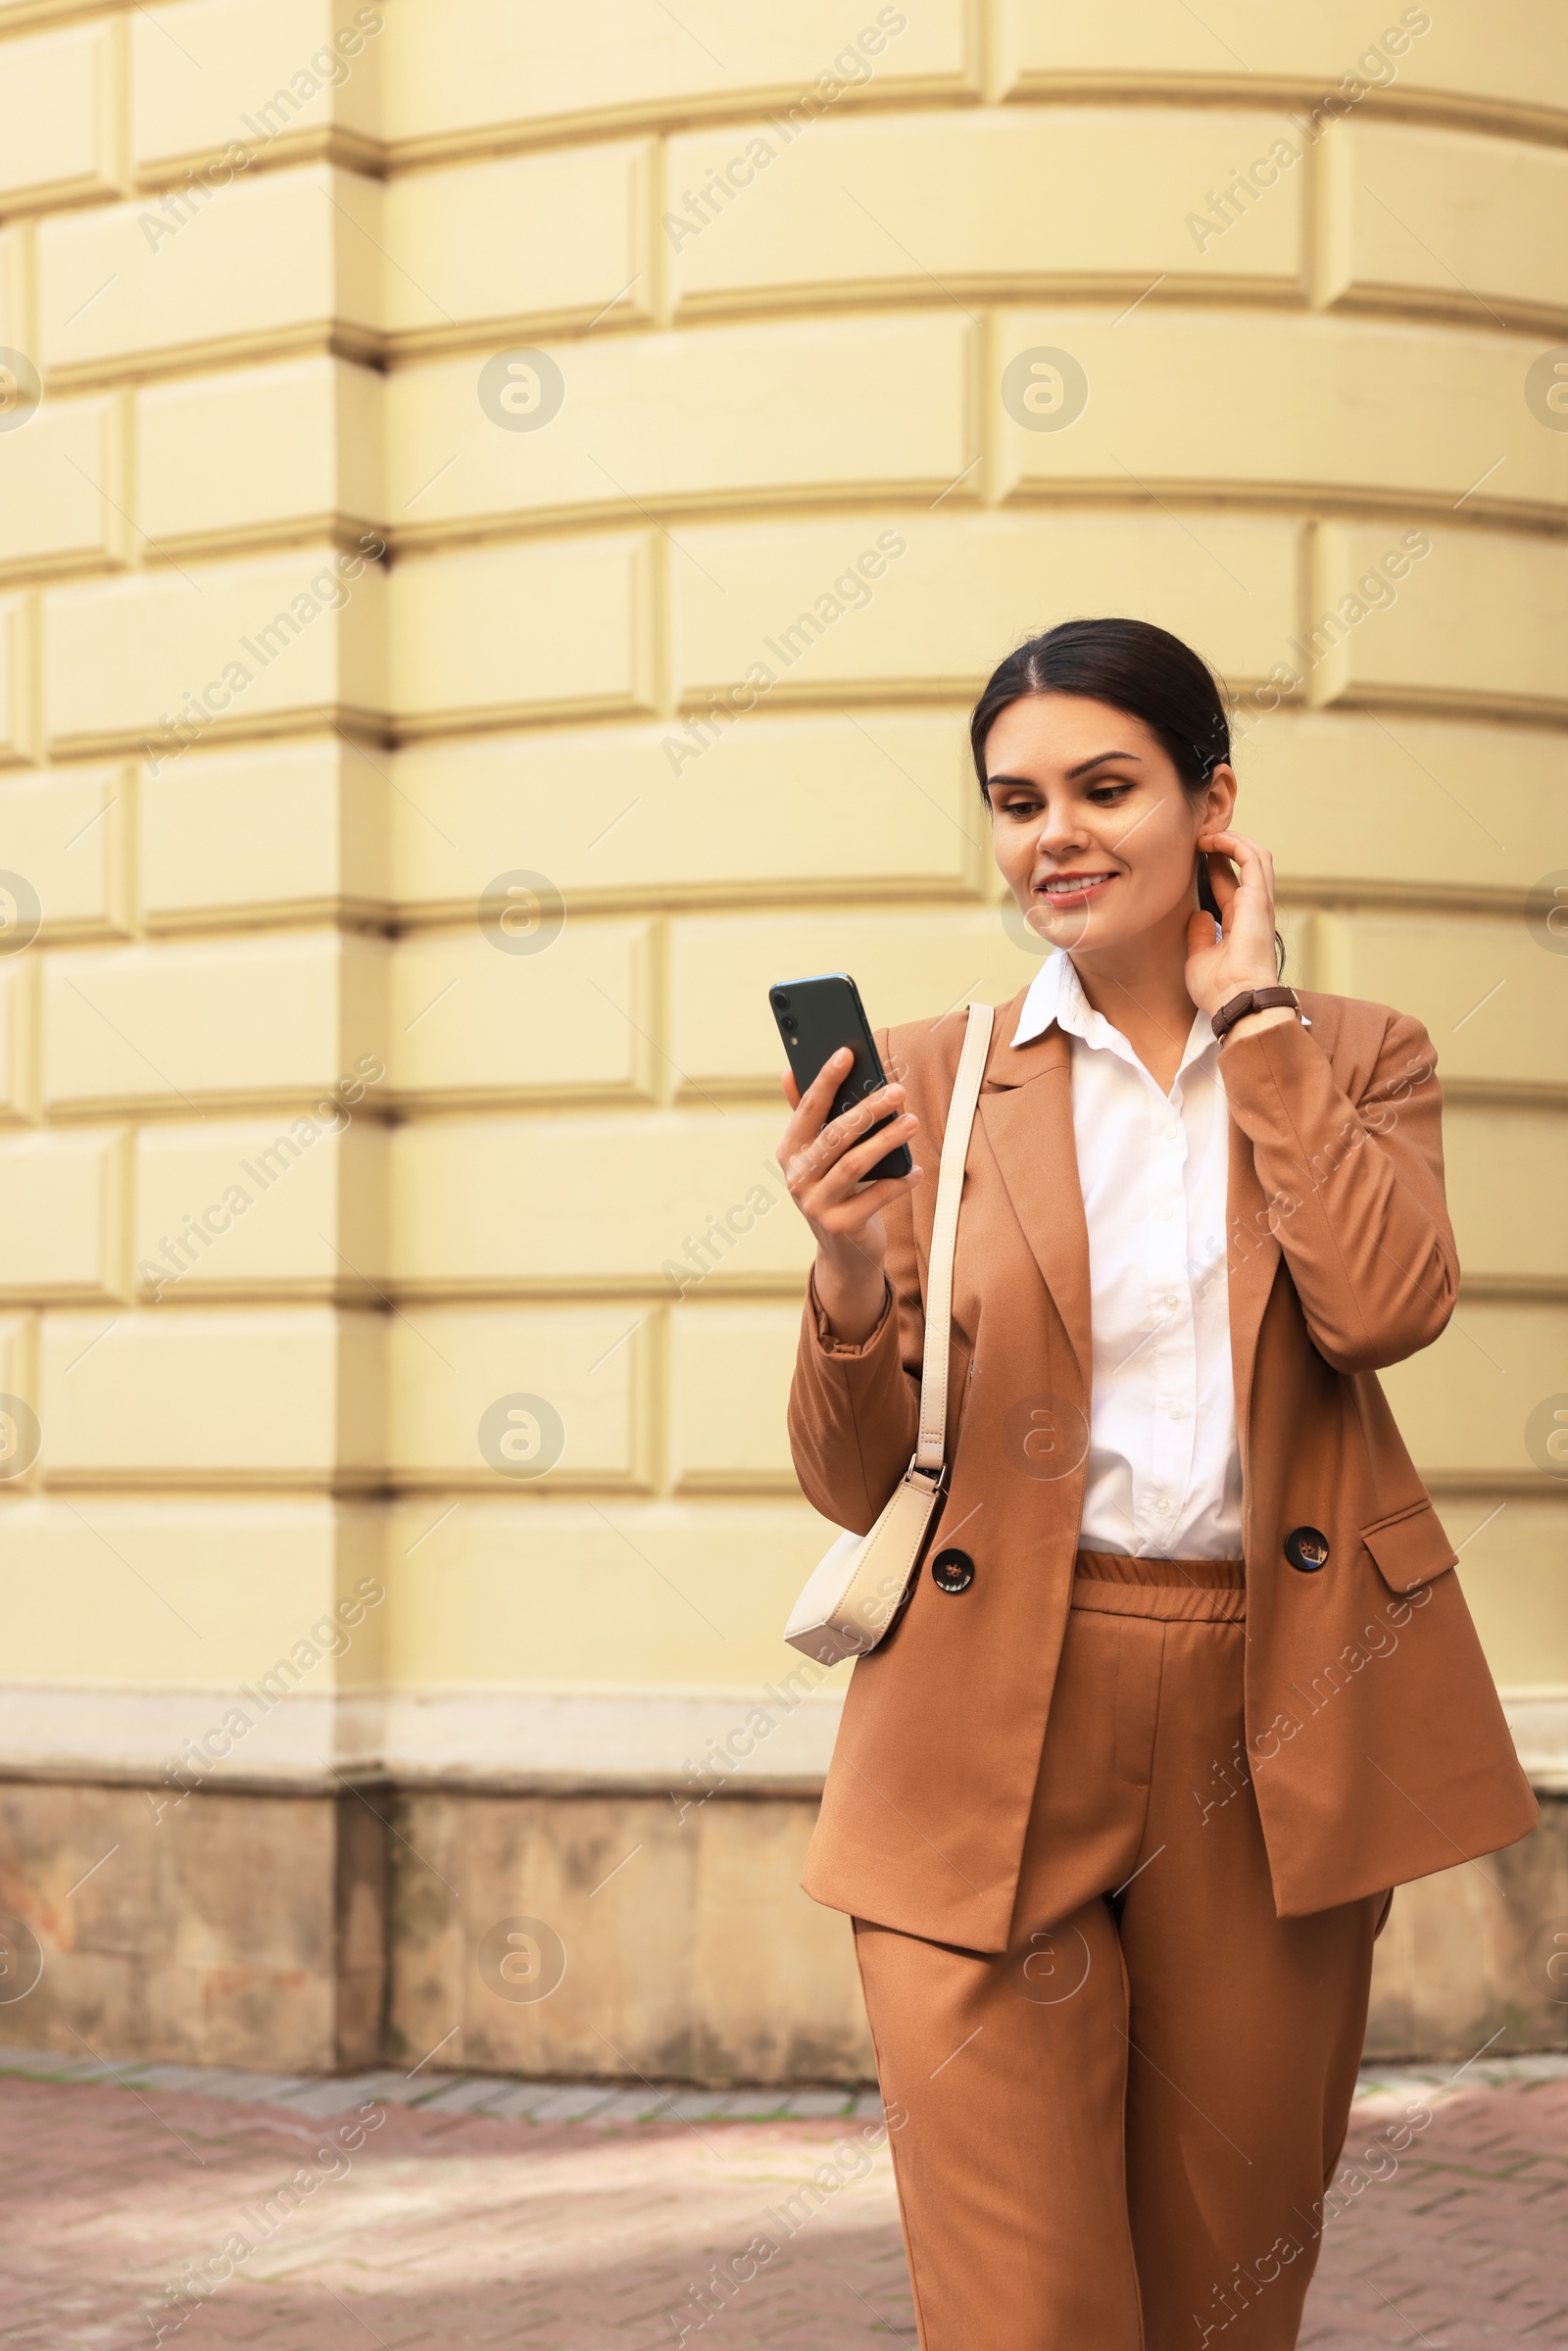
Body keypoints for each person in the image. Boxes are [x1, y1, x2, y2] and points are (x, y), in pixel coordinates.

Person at [776, 617, 1536, 2350]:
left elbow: (1383, 1306)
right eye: (1016, 798)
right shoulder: (929, 1077)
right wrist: (842, 1279)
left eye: (1106, 787)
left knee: (1223, 2287)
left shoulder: (1357, 1050)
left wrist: (1255, 1024)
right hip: (982, 1721)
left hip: (1278, 1709)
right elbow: (852, 1480)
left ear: (1214, 807)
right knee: (1023, 2308)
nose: (1056, 834)